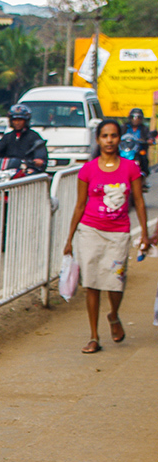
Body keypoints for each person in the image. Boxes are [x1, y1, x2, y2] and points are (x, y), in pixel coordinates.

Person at [63, 120, 150, 353]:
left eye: (113, 136)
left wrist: (145, 234)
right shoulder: (88, 169)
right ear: (98, 139)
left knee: (115, 282)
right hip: (90, 231)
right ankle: (94, 336)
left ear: (119, 138)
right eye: (104, 136)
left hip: (119, 233)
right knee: (91, 284)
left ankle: (113, 315)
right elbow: (80, 205)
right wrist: (69, 238)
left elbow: (139, 203)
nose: (109, 140)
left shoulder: (131, 168)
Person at [0, 104, 46, 172]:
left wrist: (38, 159)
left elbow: (40, 149)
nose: (17, 123)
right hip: (7, 170)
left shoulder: (34, 136)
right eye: (14, 120)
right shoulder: (8, 136)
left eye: (20, 120)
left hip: (25, 170)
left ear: (26, 121)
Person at [124, 108, 150, 190]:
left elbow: (149, 137)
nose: (136, 120)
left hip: (138, 151)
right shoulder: (124, 127)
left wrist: (149, 140)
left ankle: (143, 178)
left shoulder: (144, 128)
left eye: (138, 118)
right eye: (133, 117)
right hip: (126, 150)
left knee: (144, 159)